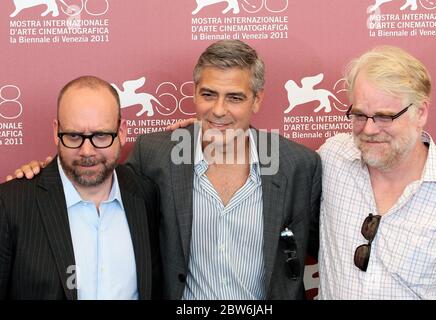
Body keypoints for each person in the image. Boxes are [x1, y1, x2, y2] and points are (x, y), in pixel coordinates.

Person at [10, 40, 322, 300]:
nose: (218, 110)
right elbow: (95, 177)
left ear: (257, 100)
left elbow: (328, 248)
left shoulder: (297, 166)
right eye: (208, 94)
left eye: (235, 98)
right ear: (195, 92)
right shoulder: (156, 154)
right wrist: (45, 172)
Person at [0, 76, 161, 300]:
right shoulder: (10, 204)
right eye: (74, 136)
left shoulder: (147, 195)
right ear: (56, 131)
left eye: (101, 135)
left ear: (122, 132)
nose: (87, 151)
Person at [318, 46, 436, 299]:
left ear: (420, 112)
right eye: (359, 114)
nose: (368, 129)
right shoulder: (334, 157)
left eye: (384, 117)